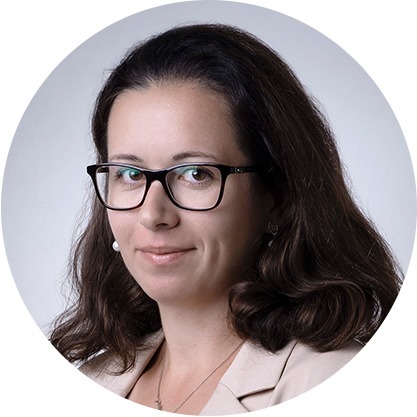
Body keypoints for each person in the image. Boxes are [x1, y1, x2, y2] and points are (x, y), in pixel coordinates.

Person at [50, 23, 402, 415]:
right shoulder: (91, 380)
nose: (152, 215)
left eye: (195, 173)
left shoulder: (332, 382)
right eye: (130, 174)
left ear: (277, 196)